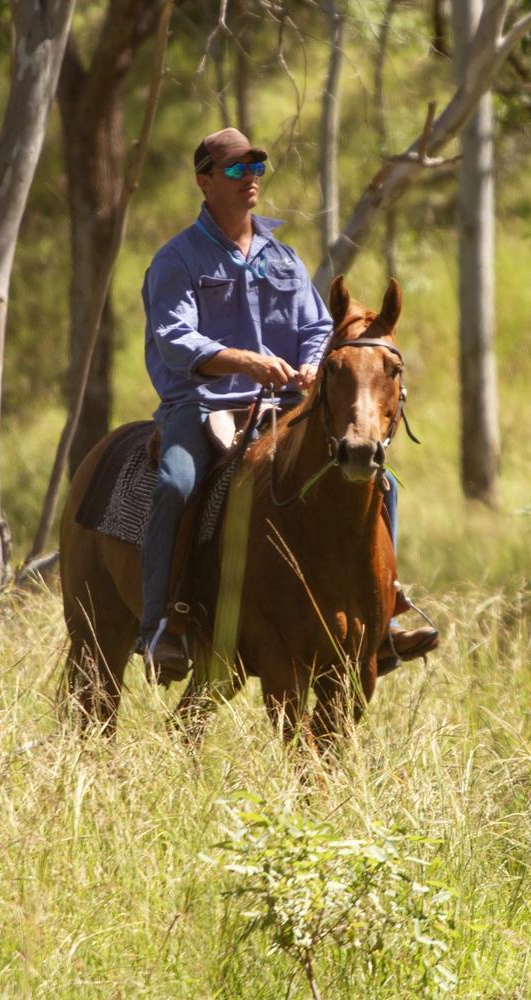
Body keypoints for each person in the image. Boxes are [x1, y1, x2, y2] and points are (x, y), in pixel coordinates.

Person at [140, 127, 437, 681]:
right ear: (205, 181)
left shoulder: (283, 257)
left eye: (255, 166)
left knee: (381, 481)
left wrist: (310, 363)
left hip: (286, 405)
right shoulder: (176, 259)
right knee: (176, 483)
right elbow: (172, 338)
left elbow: (317, 327)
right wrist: (245, 361)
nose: (250, 177)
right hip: (204, 405)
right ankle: (165, 622)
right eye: (234, 169)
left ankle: (387, 612)